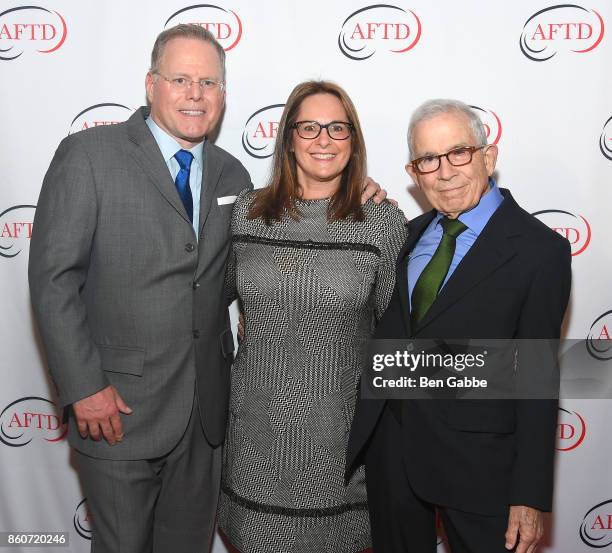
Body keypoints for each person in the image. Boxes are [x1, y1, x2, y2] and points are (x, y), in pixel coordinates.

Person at [28, 25, 386, 553]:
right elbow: (53, 280)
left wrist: (360, 192)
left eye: (210, 83)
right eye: (181, 79)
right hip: (118, 409)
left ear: (222, 94)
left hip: (208, 421)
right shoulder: (89, 155)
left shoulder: (234, 178)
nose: (196, 94)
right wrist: (83, 387)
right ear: (151, 85)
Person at [347, 99, 572, 553]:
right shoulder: (406, 235)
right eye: (428, 159)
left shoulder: (539, 250)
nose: (444, 171)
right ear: (414, 171)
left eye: (458, 153)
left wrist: (528, 495)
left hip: (480, 464)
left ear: (488, 156)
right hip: (392, 454)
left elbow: (537, 377)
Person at [217, 81, 408, 553]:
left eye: (337, 128)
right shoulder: (245, 214)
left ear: (353, 140)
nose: (323, 139)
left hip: (341, 451)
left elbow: (399, 342)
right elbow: (207, 300)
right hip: (254, 446)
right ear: (288, 138)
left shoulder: (381, 223)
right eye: (309, 127)